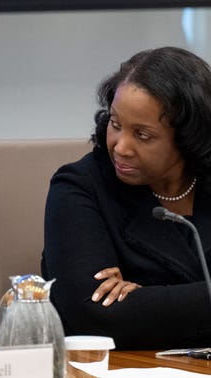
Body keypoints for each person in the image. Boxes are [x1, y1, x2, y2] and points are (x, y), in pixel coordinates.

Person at [42, 46, 211, 350]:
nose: (120, 147)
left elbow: (134, 314)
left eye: (143, 135)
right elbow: (95, 317)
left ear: (189, 138)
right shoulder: (79, 187)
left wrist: (147, 297)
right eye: (116, 124)